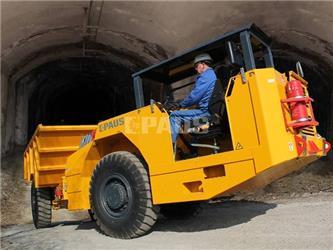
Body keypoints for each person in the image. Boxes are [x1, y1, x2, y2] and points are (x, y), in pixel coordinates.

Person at [169, 53, 217, 145]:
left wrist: (180, 104)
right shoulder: (211, 75)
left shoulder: (205, 76)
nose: (195, 69)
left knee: (175, 116)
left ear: (203, 64)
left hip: (204, 114)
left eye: (196, 66)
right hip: (206, 112)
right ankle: (191, 146)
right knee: (186, 123)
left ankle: (169, 148)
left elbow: (195, 96)